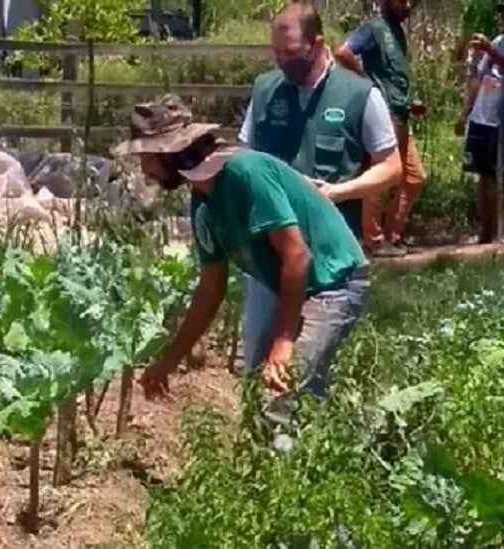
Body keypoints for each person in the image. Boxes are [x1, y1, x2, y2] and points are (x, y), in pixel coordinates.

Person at [112, 94, 371, 423]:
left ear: (170, 152)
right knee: (266, 394)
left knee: (284, 393)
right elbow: (210, 289)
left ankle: (316, 460)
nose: (144, 169)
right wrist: (169, 361)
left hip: (333, 282)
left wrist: (283, 340)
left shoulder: (246, 172)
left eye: (146, 157)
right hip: (301, 288)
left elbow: (297, 255)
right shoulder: (203, 202)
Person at [238, 2, 403, 252]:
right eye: (277, 52)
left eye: (290, 52)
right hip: (269, 247)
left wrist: (337, 192)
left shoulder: (360, 95)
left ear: (316, 44)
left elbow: (391, 166)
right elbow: (244, 157)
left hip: (333, 247)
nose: (282, 61)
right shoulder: (265, 90)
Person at [334, 0, 428, 257]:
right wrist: (368, 85)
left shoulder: (397, 31)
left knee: (414, 177)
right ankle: (373, 240)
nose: (407, 5)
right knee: (381, 176)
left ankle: (391, 235)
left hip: (400, 113)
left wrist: (410, 104)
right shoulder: (374, 28)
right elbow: (343, 52)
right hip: (384, 115)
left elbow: (393, 75)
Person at [456, 0, 504, 244]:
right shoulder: (497, 42)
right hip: (482, 118)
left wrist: (489, 50)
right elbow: (479, 77)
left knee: (498, 178)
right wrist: (466, 112)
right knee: (482, 176)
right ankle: (484, 231)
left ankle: (498, 231)